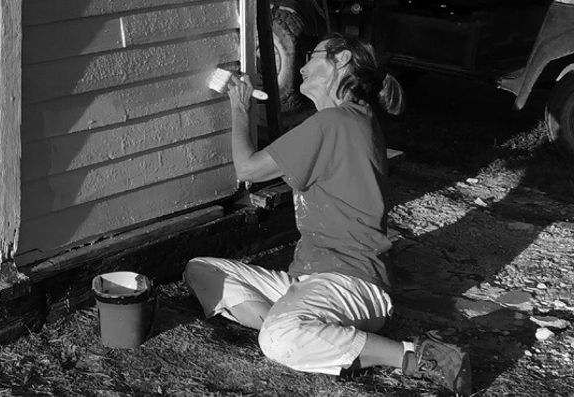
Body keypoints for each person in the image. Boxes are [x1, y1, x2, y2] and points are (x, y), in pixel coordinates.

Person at [184, 34, 472, 395]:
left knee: (277, 341)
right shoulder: (347, 120)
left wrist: (240, 108)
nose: (302, 66)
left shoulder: (334, 122)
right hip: (312, 277)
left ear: (341, 59)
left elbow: (247, 168)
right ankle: (303, 326)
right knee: (202, 269)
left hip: (354, 283)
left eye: (312, 55)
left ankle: (415, 357)